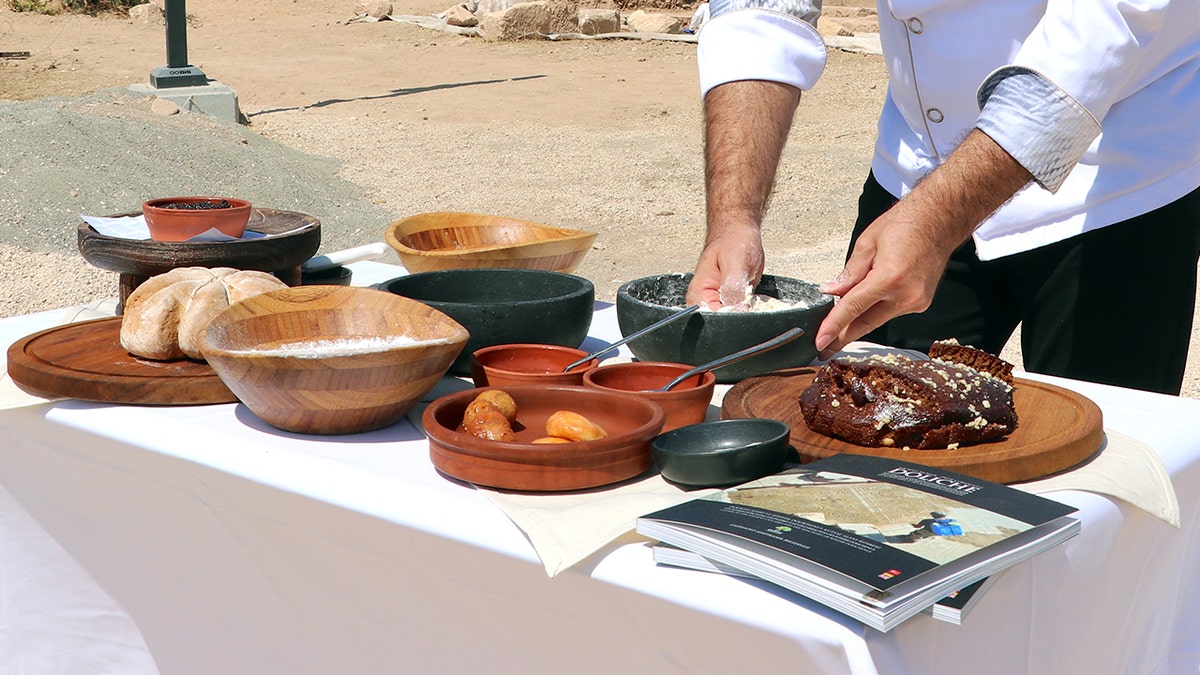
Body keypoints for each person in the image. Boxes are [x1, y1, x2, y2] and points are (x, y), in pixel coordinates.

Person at [684, 1, 1200, 395]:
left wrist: (934, 219)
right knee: (873, 425)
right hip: (918, 164)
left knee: (1102, 467)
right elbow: (760, 10)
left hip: (1117, 178)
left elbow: (1100, 35)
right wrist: (734, 216)